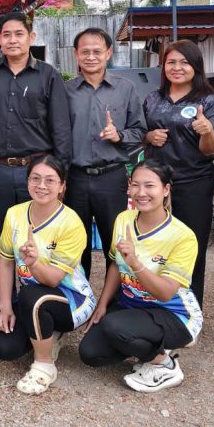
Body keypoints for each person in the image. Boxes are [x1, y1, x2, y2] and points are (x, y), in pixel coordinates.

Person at [0, 11, 71, 323]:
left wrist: (60, 175)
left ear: (31, 37)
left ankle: (41, 307)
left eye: (19, 34)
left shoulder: (48, 75)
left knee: (39, 240)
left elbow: (61, 128)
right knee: (0, 240)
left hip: (37, 171)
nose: (12, 40)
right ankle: (6, 306)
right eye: (6, 35)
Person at [79, 161, 203, 393]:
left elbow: (165, 293)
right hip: (132, 306)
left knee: (114, 326)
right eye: (135, 185)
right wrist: (102, 304)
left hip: (174, 313)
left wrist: (135, 262)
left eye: (149, 186)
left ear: (165, 189)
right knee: (91, 353)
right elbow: (115, 264)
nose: (141, 192)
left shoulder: (183, 236)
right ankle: (146, 343)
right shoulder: (124, 219)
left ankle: (164, 364)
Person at [0, 155, 95, 395]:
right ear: (27, 181)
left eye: (50, 180)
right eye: (35, 178)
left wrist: (34, 263)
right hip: (34, 298)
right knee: (5, 348)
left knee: (31, 295)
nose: (41, 186)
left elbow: (52, 280)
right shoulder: (14, 214)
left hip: (72, 299)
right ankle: (50, 334)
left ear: (62, 186)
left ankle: (44, 365)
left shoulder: (71, 222)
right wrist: (5, 307)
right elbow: (5, 262)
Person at [143, 39, 214, 307]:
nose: (177, 68)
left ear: (196, 66)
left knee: (191, 246)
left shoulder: (209, 101)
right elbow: (139, 133)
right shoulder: (153, 99)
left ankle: (189, 309)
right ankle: (153, 304)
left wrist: (207, 131)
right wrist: (149, 136)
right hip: (156, 186)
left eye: (184, 63)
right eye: (171, 62)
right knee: (155, 245)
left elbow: (210, 149)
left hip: (193, 184)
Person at [64, 27, 146, 277]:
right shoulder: (65, 91)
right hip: (75, 177)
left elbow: (140, 131)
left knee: (115, 243)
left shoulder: (125, 88)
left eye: (97, 51)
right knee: (76, 244)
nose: (91, 57)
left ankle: (115, 298)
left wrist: (119, 135)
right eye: (85, 52)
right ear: (76, 54)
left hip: (111, 177)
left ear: (108, 53)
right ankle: (79, 296)